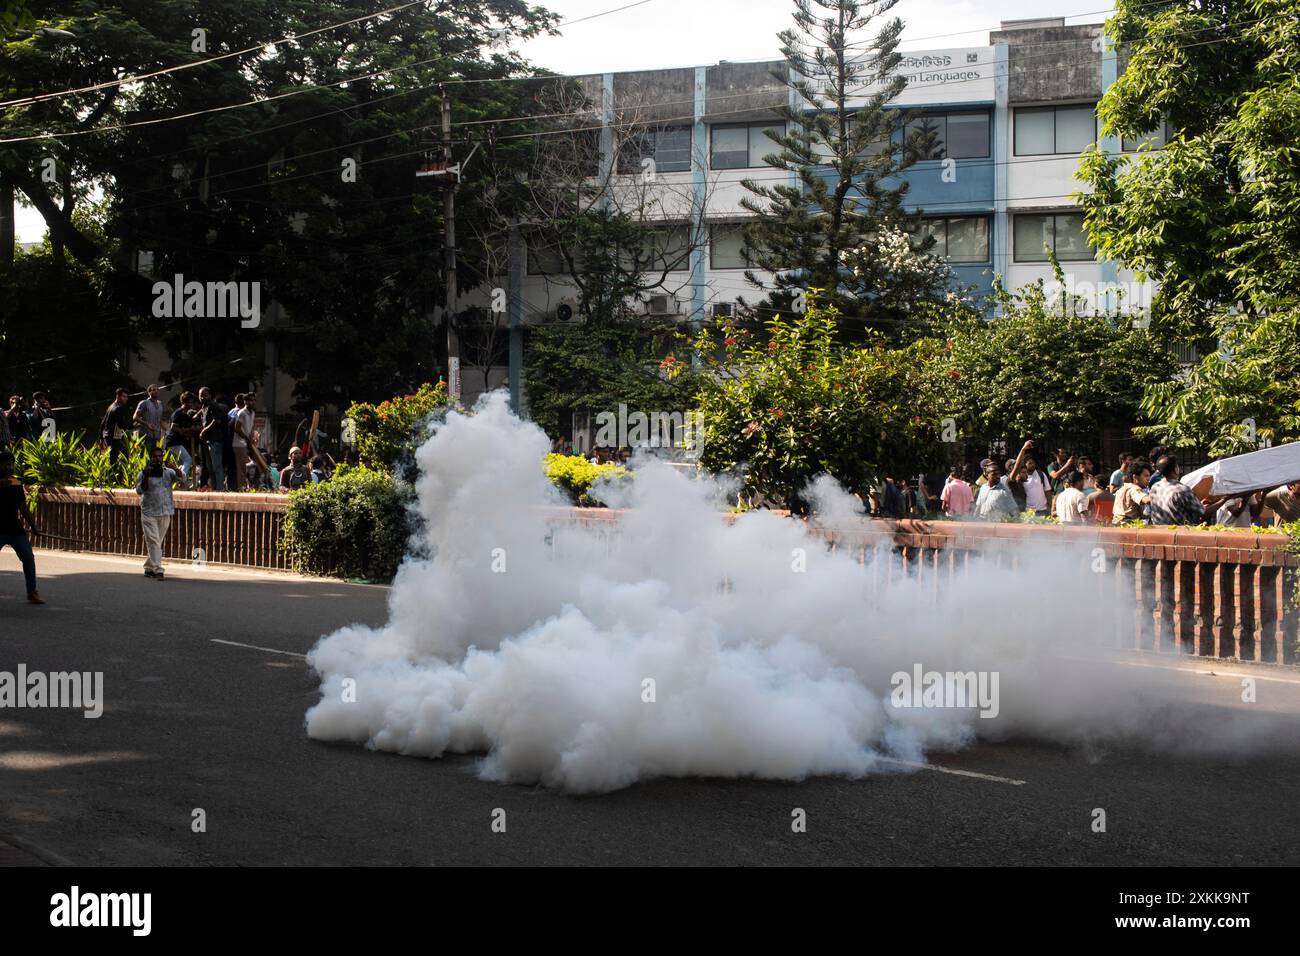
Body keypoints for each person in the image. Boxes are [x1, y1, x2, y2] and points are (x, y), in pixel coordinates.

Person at [0, 451, 43, 603]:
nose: (8, 467)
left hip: (14, 529)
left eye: (11, 464)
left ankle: (32, 592)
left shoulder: (16, 484)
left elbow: (23, 507)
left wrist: (34, 526)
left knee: (28, 557)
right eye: (5, 464)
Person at [135, 445, 178, 580]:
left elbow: (183, 480)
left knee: (157, 542)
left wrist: (176, 468)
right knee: (153, 541)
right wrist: (147, 475)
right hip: (149, 512)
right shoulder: (143, 473)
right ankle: (159, 570)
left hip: (165, 511)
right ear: (150, 458)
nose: (158, 459)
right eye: (155, 457)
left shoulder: (168, 472)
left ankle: (148, 568)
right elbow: (139, 491)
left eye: (160, 456)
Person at [976, 441, 1031, 521]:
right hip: (983, 526)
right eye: (994, 474)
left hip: (996, 528)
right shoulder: (983, 488)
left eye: (998, 473)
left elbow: (1014, 511)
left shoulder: (1004, 490)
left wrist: (1023, 450)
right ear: (987, 475)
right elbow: (978, 507)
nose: (997, 476)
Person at [1146, 454, 1205, 526]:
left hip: (1159, 532)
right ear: (1176, 469)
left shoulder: (1155, 487)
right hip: (1180, 534)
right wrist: (1222, 501)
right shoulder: (1182, 490)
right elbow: (1203, 513)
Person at [198, 388, 229, 491]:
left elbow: (217, 420)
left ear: (210, 396)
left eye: (205, 395)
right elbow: (196, 416)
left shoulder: (213, 405)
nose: (203, 397)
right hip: (207, 440)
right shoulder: (204, 406)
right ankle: (214, 487)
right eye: (201, 395)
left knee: (217, 466)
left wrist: (204, 431)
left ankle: (220, 489)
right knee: (209, 466)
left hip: (215, 440)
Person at [166, 392, 200, 483]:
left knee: (181, 463)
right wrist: (184, 432)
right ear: (183, 403)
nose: (191, 404)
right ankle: (181, 479)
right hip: (174, 442)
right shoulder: (178, 412)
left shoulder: (186, 414)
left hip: (179, 442)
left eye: (192, 402)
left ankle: (178, 481)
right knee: (188, 460)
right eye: (189, 402)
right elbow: (173, 426)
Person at [1111, 458, 1152, 524]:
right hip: (1128, 527)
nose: (1148, 479)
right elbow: (1146, 500)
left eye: (1149, 476)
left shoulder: (1122, 488)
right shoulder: (1134, 489)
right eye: (1146, 476)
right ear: (1135, 477)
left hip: (1116, 524)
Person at [230, 393, 258, 491]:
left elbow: (250, 428)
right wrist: (246, 438)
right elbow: (237, 428)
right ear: (245, 402)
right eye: (250, 400)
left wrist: (252, 438)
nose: (252, 402)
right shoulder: (242, 412)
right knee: (241, 467)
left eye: (254, 400)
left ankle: (246, 487)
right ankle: (240, 488)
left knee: (249, 466)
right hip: (239, 444)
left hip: (247, 443)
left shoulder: (253, 413)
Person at [100, 388, 134, 463]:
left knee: (120, 454)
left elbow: (103, 422)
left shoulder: (111, 406)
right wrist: (133, 426)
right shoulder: (118, 408)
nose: (126, 399)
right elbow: (121, 424)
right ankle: (118, 473)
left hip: (109, 437)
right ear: (118, 396)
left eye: (126, 397)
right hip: (113, 438)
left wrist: (101, 438)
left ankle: (117, 472)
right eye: (124, 396)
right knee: (119, 456)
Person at [133, 383, 166, 451]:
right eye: (154, 390)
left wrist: (166, 430)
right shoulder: (144, 403)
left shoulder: (160, 404)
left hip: (157, 435)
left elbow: (160, 419)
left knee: (155, 457)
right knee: (146, 457)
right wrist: (147, 424)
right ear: (149, 392)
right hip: (145, 435)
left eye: (157, 389)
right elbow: (135, 417)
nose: (156, 391)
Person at [1020, 452, 1052, 517]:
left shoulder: (1041, 474)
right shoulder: (1021, 478)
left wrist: (1049, 506)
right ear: (1025, 464)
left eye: (1033, 463)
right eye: (1030, 463)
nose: (1033, 465)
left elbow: (1048, 491)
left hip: (1043, 510)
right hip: (1028, 512)